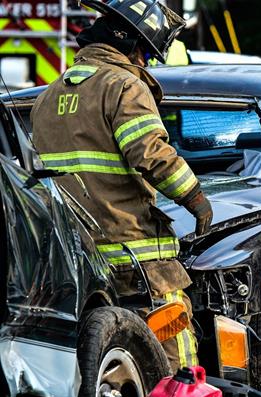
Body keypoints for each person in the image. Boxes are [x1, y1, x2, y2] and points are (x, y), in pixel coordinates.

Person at [30, 0, 212, 372]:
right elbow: (151, 153)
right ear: (130, 45)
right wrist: (196, 198)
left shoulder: (46, 98)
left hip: (74, 259)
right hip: (134, 254)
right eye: (146, 53)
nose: (145, 63)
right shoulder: (124, 86)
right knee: (173, 337)